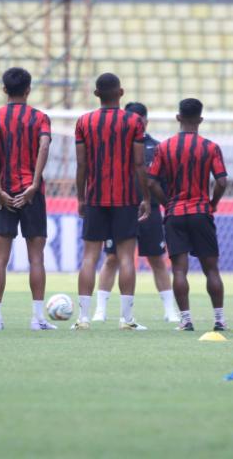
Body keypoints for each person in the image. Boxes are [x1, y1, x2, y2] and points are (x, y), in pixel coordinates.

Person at [72, 73, 150, 330]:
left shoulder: (84, 121)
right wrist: (145, 197)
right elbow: (139, 163)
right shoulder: (134, 122)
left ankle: (83, 318)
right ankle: (126, 320)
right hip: (125, 197)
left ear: (96, 95)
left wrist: (81, 197)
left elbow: (81, 163)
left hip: (95, 196)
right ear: (121, 92)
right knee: (127, 258)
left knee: (89, 258)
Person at [145, 98, 229, 332]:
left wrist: (167, 204)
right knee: (211, 269)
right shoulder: (210, 147)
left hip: (176, 214)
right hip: (202, 212)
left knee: (179, 270)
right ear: (200, 119)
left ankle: (186, 320)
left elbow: (150, 182)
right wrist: (213, 203)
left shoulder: (164, 147)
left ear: (178, 117)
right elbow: (222, 181)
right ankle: (219, 319)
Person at [94, 102, 181, 324]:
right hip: (119, 208)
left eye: (139, 121)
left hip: (149, 211)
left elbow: (163, 181)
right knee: (112, 258)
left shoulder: (157, 148)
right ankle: (100, 310)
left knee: (157, 259)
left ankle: (170, 311)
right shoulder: (115, 146)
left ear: (145, 122)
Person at [0, 67, 54, 331]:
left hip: (6, 194)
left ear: (4, 90)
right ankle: (38, 319)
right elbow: (44, 146)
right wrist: (34, 184)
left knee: (0, 258)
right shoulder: (40, 118)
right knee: (36, 258)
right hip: (32, 194)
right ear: (28, 89)